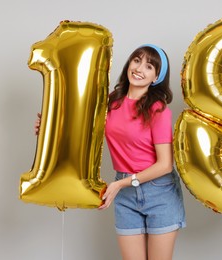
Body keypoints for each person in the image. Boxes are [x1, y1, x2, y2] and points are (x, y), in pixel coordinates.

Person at [35, 44, 186, 260]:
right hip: (125, 191)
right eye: (137, 60)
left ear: (156, 77)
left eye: (149, 66)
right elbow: (80, 131)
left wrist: (121, 184)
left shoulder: (158, 110)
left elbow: (165, 165)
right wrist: (48, 128)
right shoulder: (111, 101)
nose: (139, 68)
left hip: (159, 192)